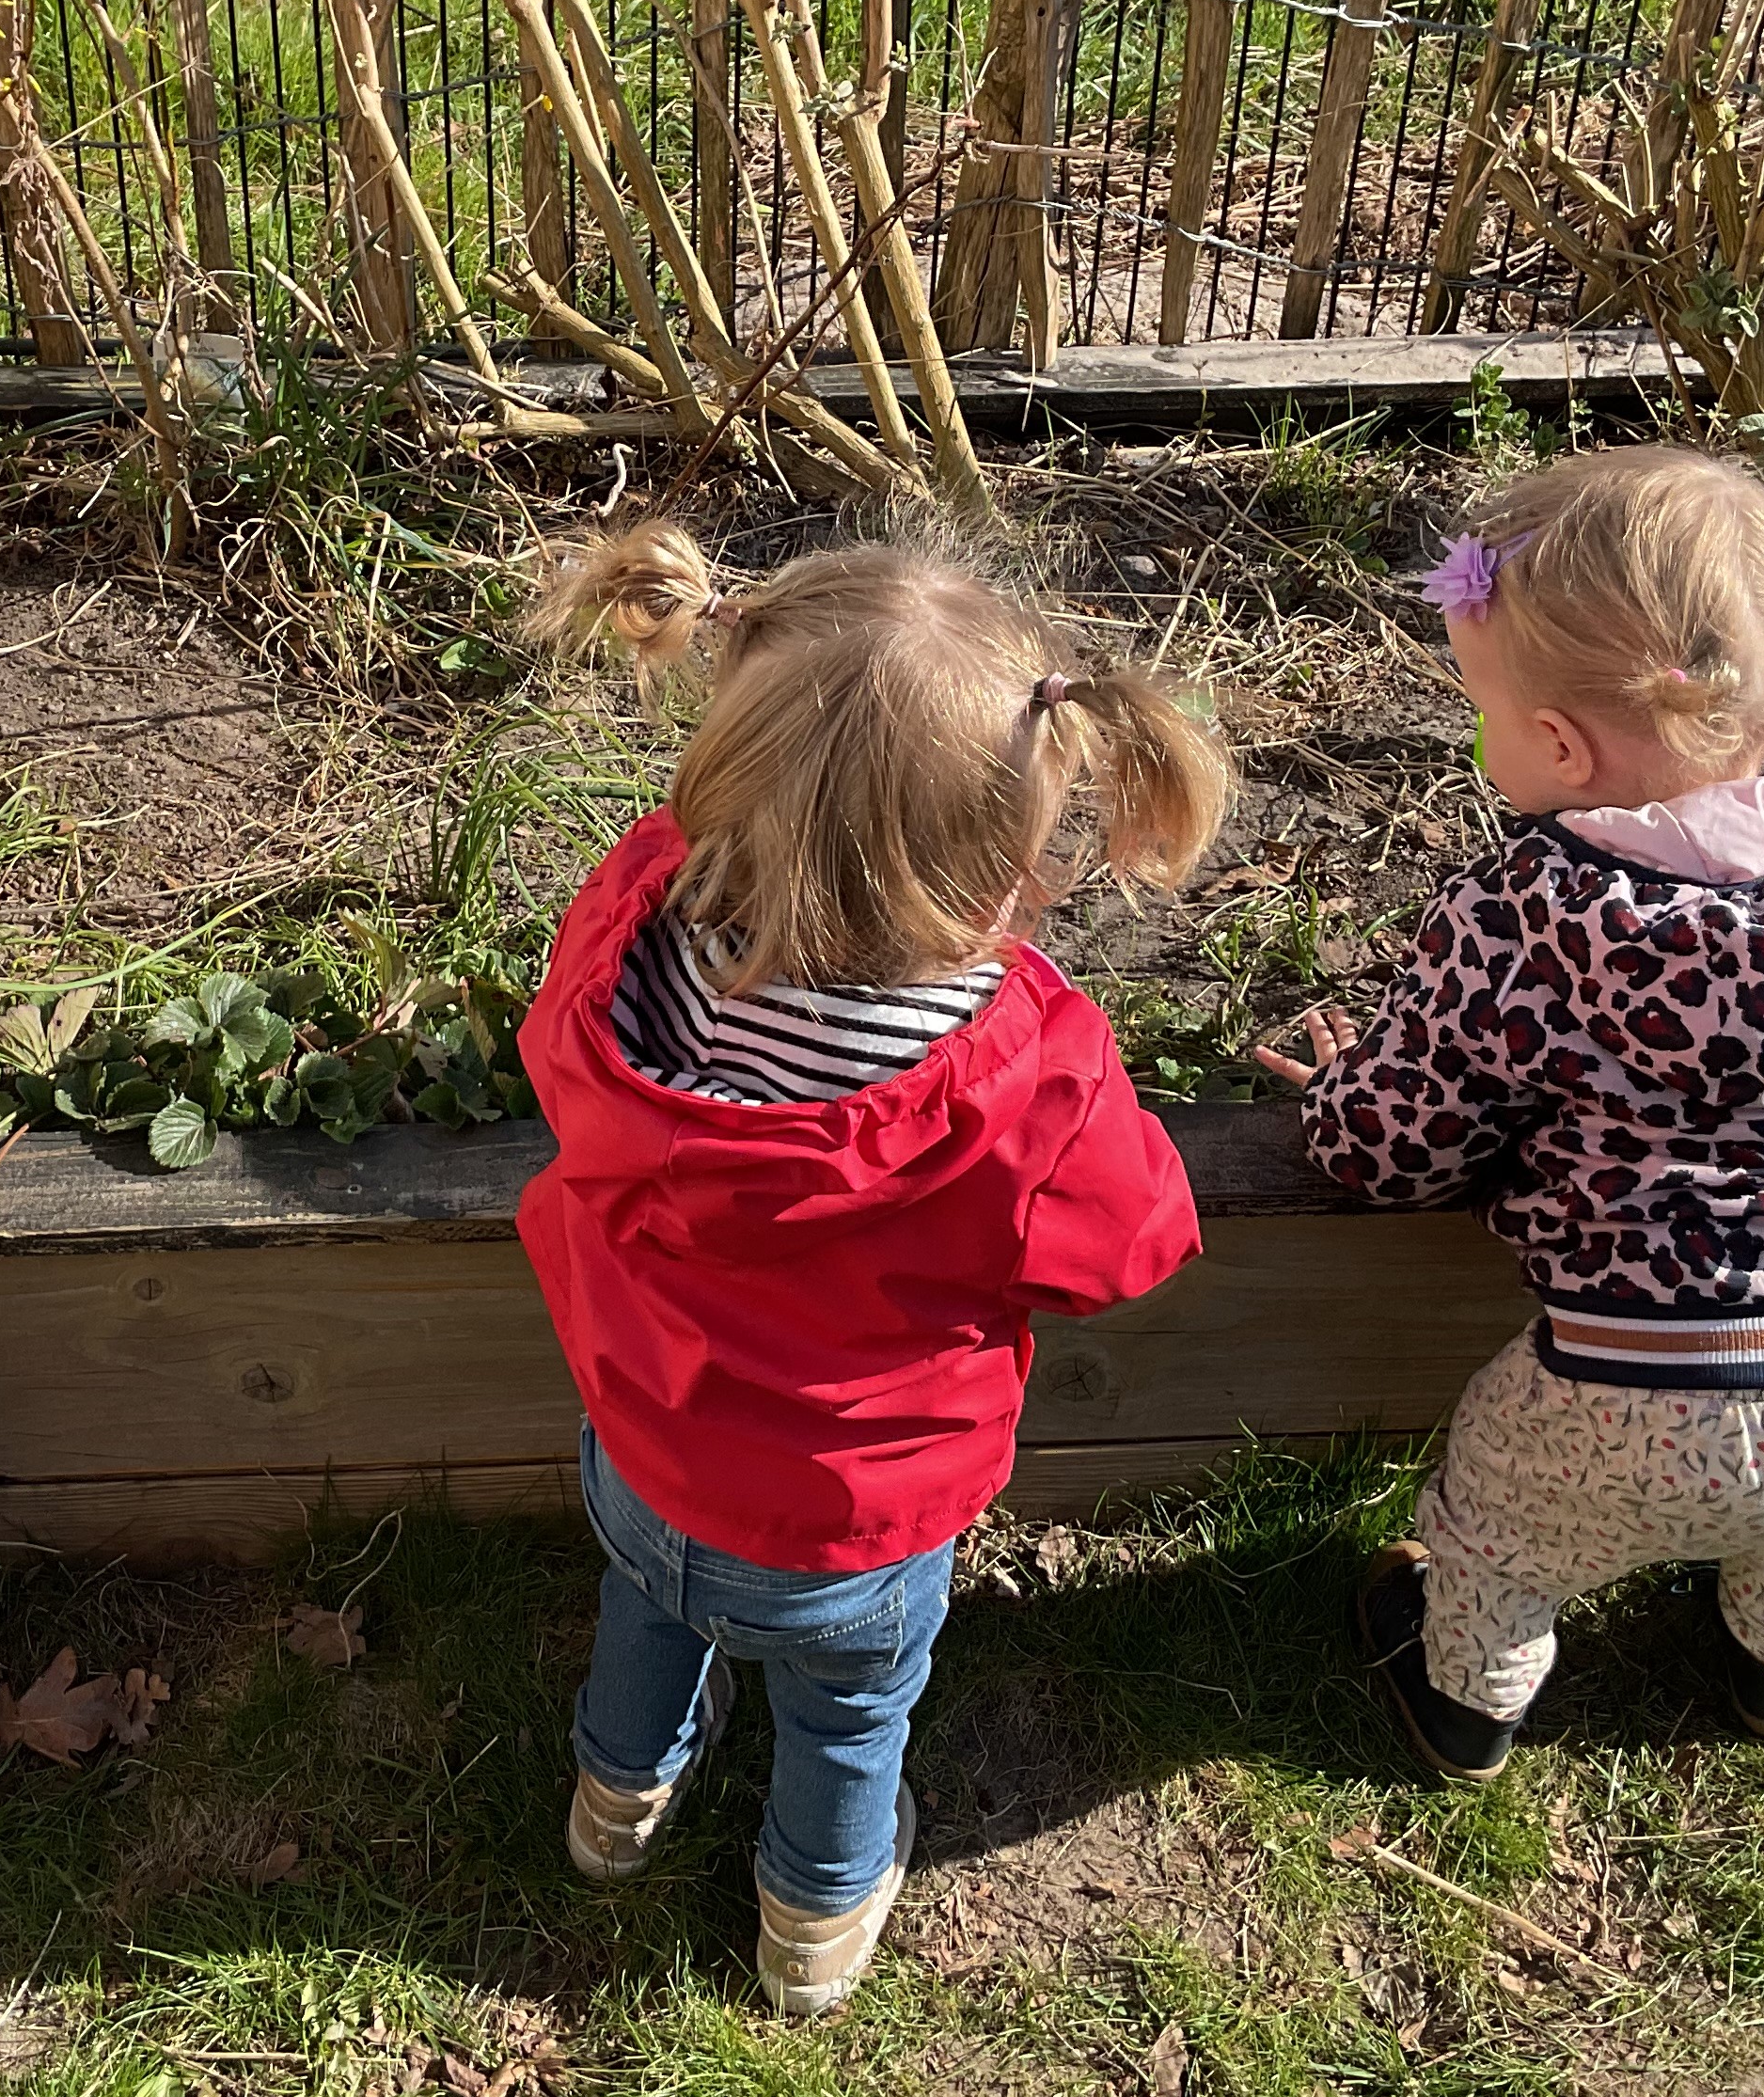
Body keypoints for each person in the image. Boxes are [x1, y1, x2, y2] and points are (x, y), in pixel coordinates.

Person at [518, 522, 1230, 2015]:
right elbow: (1136, 1241)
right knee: (850, 1723)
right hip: (854, 1528)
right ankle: (814, 1923)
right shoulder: (1018, 1071)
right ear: (1008, 872)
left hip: (640, 1456)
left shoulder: (621, 945)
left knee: (647, 1622)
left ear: (725, 786)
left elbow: (621, 924)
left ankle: (613, 1807)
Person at [1261, 446, 1764, 1782]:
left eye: (1480, 707)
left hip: (1640, 1398)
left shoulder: (1533, 909)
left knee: (1497, 1519)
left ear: (1556, 743)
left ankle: (1464, 1704)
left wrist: (1343, 1096)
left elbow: (1401, 1147)